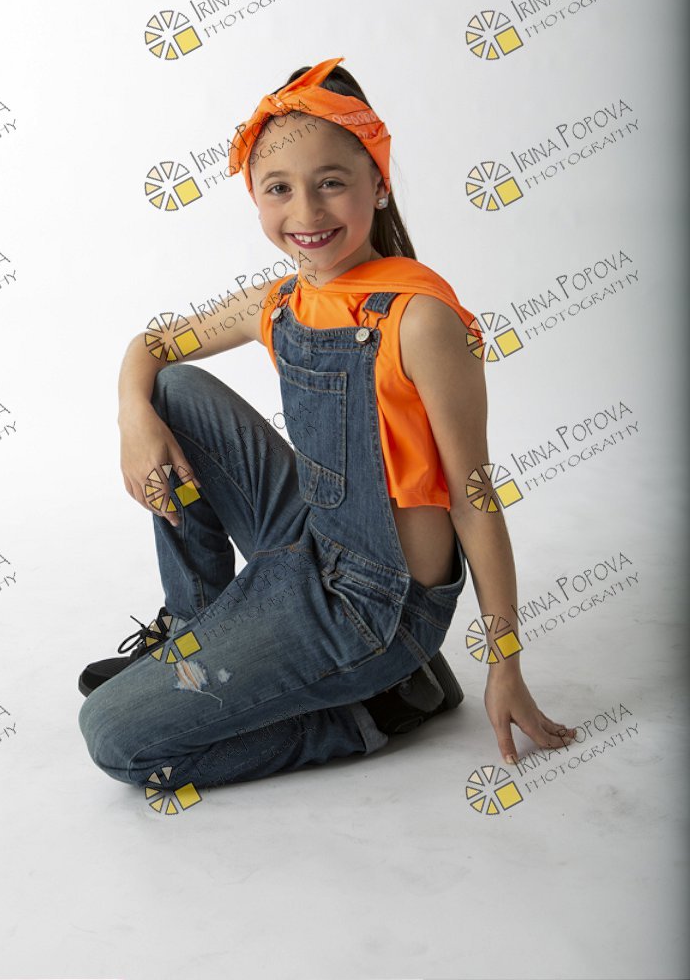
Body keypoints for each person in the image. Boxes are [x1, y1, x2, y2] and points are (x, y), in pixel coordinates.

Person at [77, 55, 576, 794]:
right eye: (279, 188)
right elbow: (153, 346)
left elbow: (475, 499)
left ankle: (373, 709)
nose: (306, 213)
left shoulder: (419, 320)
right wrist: (133, 415)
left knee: (114, 738)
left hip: (373, 608)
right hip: (311, 540)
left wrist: (506, 665)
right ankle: (194, 627)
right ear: (256, 197)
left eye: (332, 183)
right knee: (171, 389)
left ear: (378, 185)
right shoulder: (281, 300)